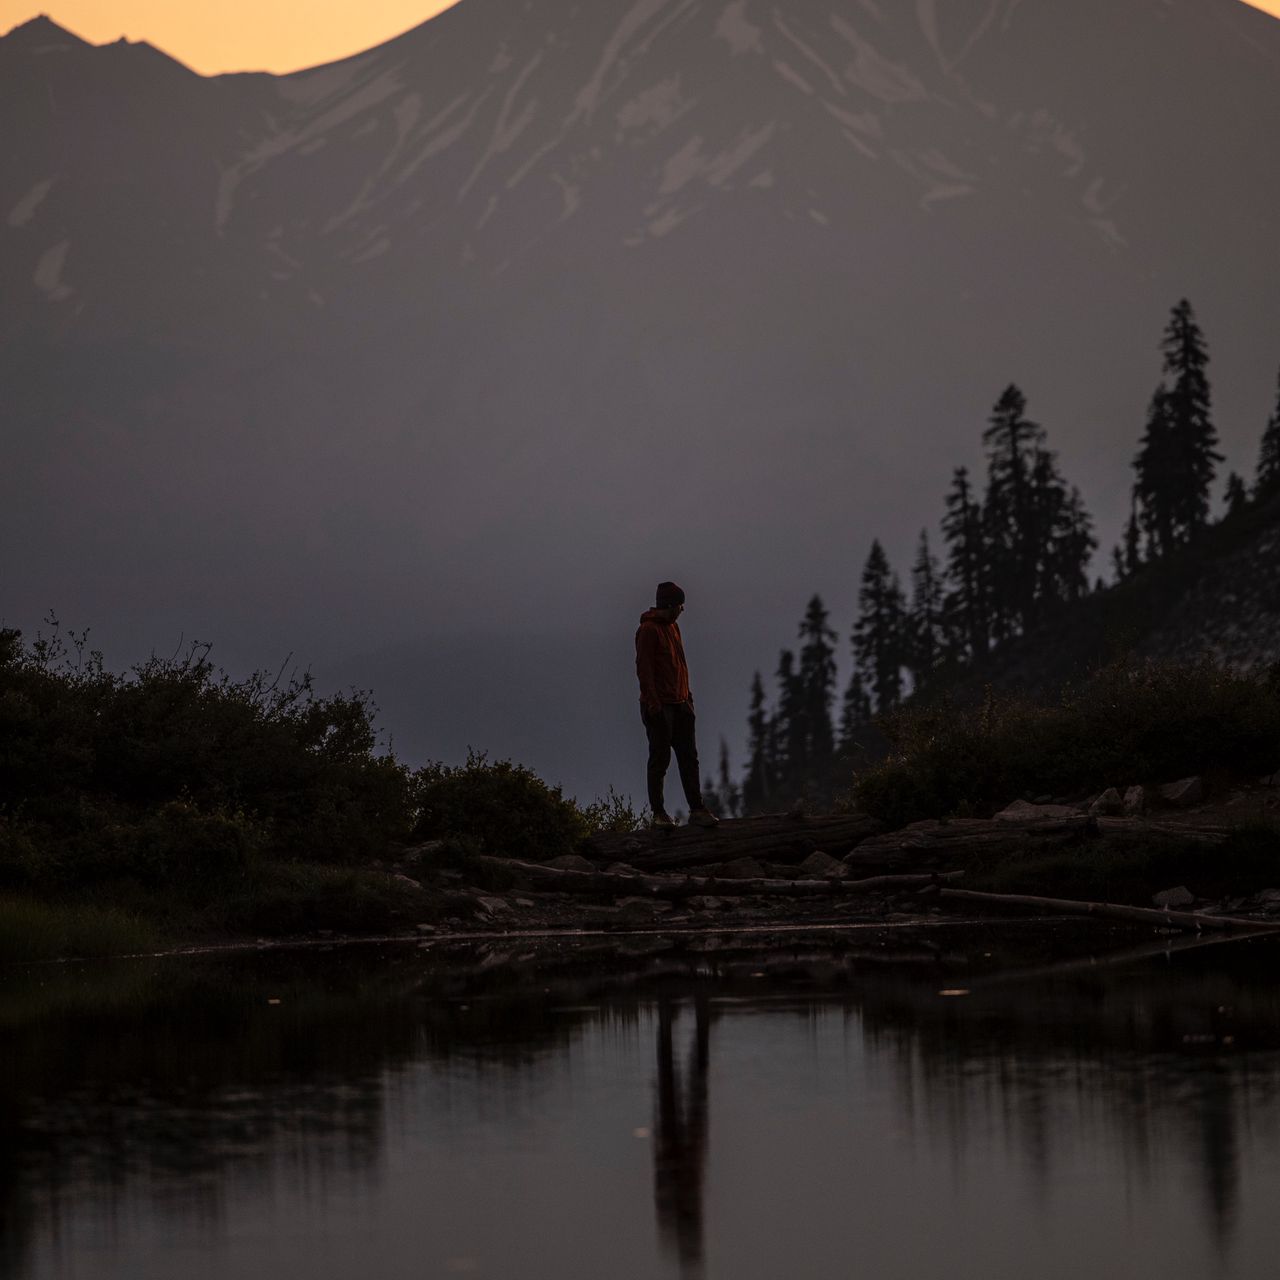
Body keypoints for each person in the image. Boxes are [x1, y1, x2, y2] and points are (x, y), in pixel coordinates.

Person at [635, 581, 719, 830]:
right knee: (659, 760)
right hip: (660, 707)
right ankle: (659, 814)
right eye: (680, 606)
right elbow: (644, 669)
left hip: (681, 704)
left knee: (689, 758)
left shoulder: (674, 629)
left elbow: (681, 665)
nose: (682, 610)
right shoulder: (648, 630)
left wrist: (688, 698)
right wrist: (653, 704)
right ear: (670, 606)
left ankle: (697, 809)